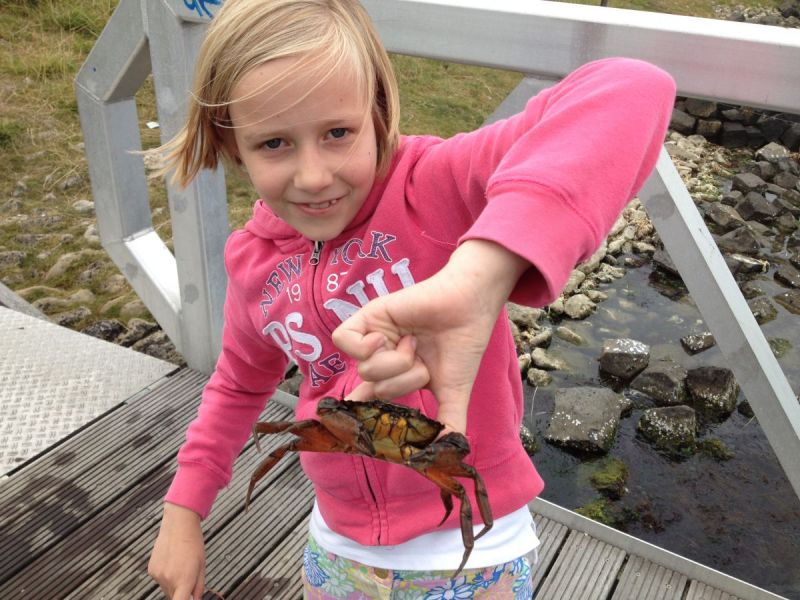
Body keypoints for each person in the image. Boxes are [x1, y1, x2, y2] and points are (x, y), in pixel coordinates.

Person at [146, 0, 676, 597]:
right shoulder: (252, 262)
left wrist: (482, 269)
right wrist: (183, 509)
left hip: (473, 548)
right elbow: (239, 386)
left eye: (338, 132)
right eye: (273, 143)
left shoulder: (438, 187)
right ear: (231, 143)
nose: (314, 175)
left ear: (377, 112)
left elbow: (632, 87)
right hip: (335, 544)